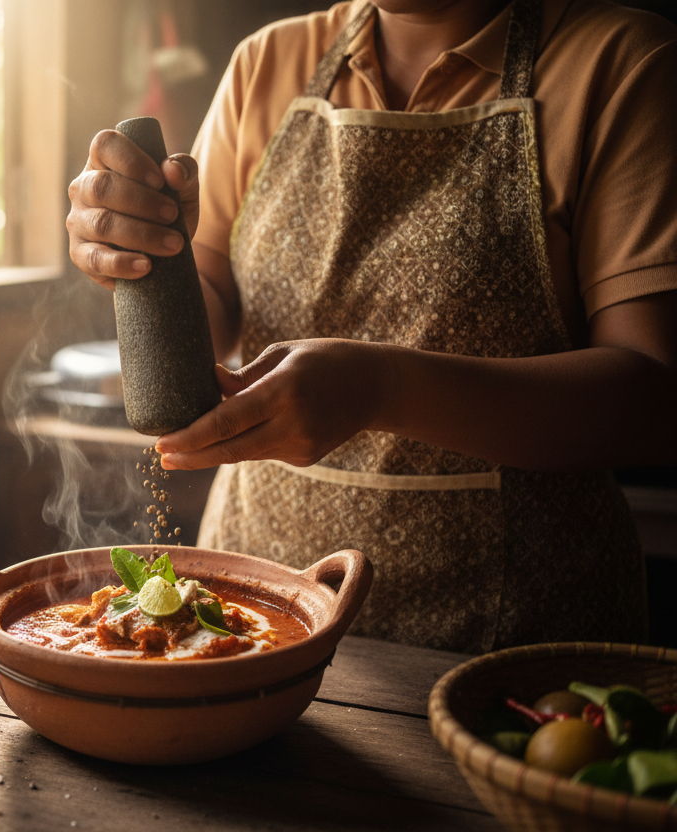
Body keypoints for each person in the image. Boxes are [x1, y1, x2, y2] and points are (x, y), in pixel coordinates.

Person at [66, 0, 677, 653]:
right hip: (252, 624)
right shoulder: (267, 63)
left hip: (515, 643)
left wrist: (381, 389)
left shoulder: (623, 62)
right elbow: (211, 312)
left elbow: (653, 399)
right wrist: (144, 258)